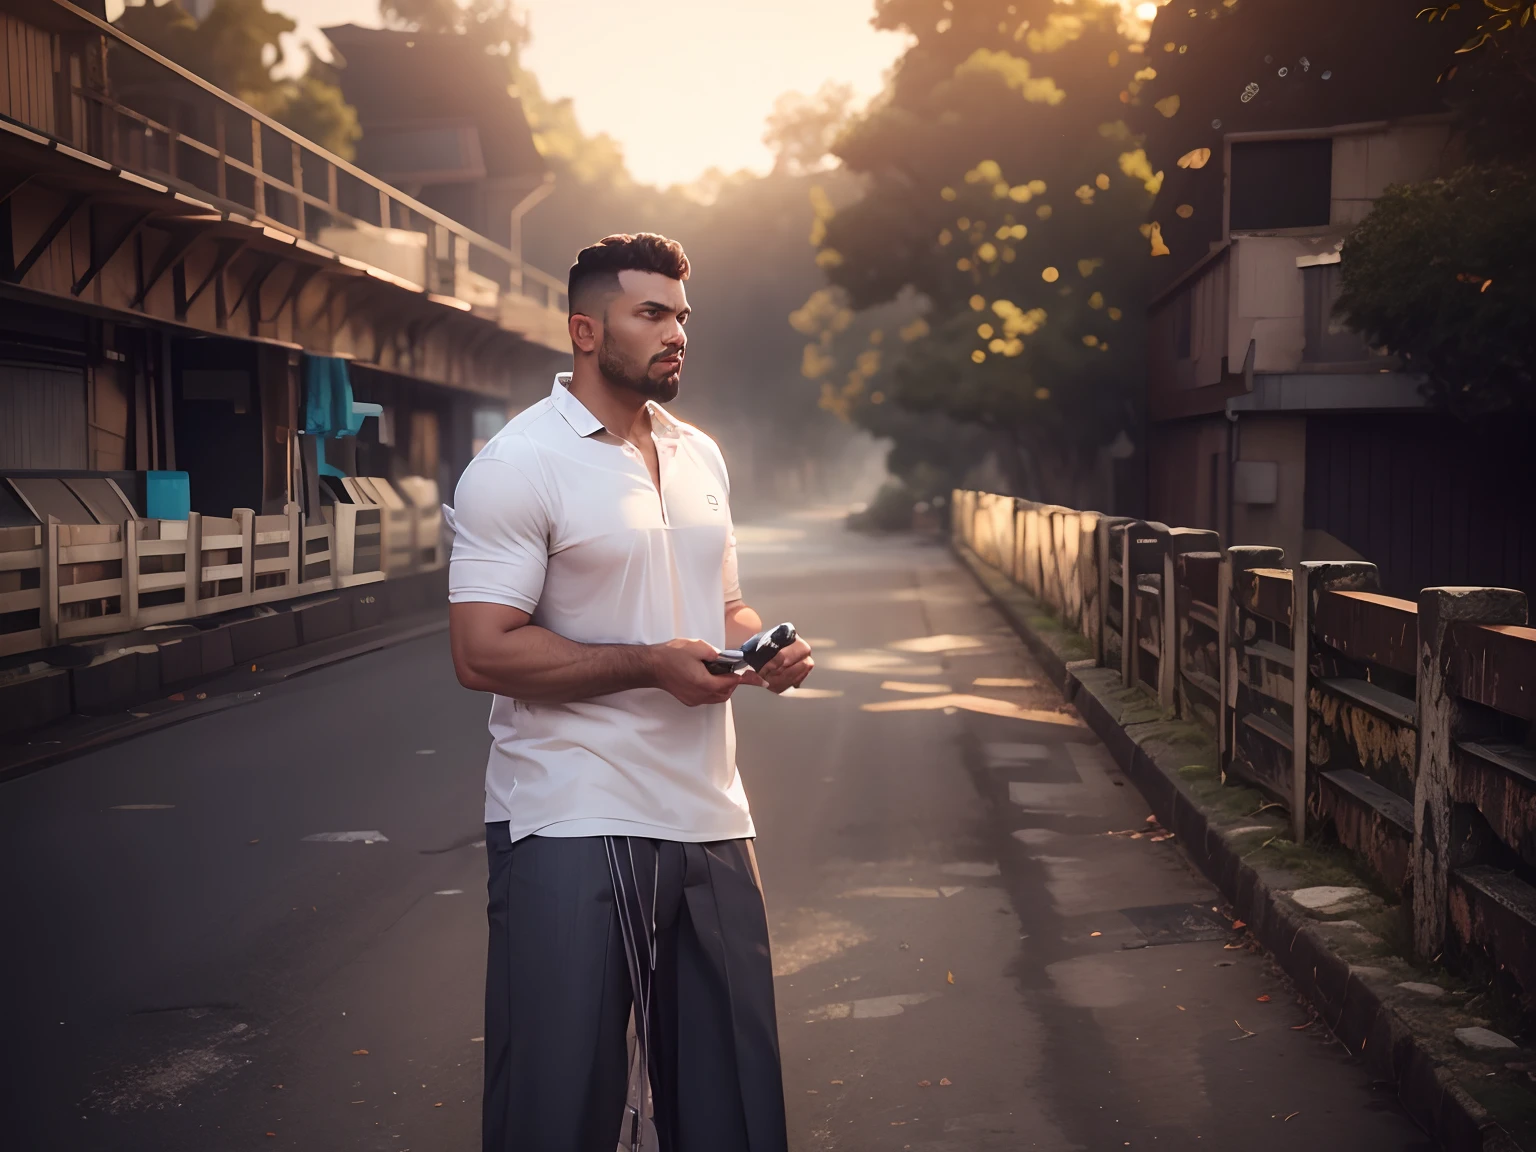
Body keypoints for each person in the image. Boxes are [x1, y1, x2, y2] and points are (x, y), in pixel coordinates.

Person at [447, 232, 813, 1152]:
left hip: (711, 815)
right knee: (559, 1109)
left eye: (681, 316)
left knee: (737, 1111)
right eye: (651, 313)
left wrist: (762, 649)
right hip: (573, 812)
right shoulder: (516, 464)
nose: (675, 332)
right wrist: (648, 662)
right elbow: (481, 652)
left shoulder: (701, 456)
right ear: (584, 328)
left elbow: (722, 603)